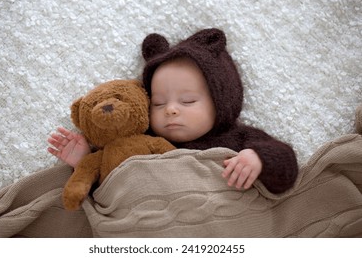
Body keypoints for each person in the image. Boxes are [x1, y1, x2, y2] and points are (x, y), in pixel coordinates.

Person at [48, 28, 298, 193]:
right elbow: (117, 190)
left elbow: (287, 168)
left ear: (222, 101)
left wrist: (258, 159)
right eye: (158, 103)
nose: (171, 110)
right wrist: (83, 162)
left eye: (188, 101)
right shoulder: (147, 145)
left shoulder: (240, 139)